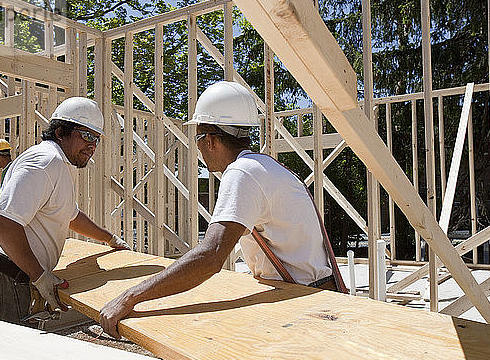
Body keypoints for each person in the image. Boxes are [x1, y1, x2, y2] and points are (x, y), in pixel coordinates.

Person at [100, 81, 341, 338]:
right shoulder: (266, 166)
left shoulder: (242, 172)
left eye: (199, 139)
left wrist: (130, 297)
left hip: (304, 305)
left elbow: (211, 255)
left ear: (211, 140)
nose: (200, 148)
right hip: (312, 294)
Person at [0, 97, 131, 325]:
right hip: (1, 275)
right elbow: (1, 222)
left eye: (97, 139)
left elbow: (71, 216)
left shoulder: (59, 164)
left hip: (7, 276)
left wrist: (109, 238)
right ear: (61, 132)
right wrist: (40, 276)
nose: (92, 146)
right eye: (87, 136)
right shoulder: (45, 161)